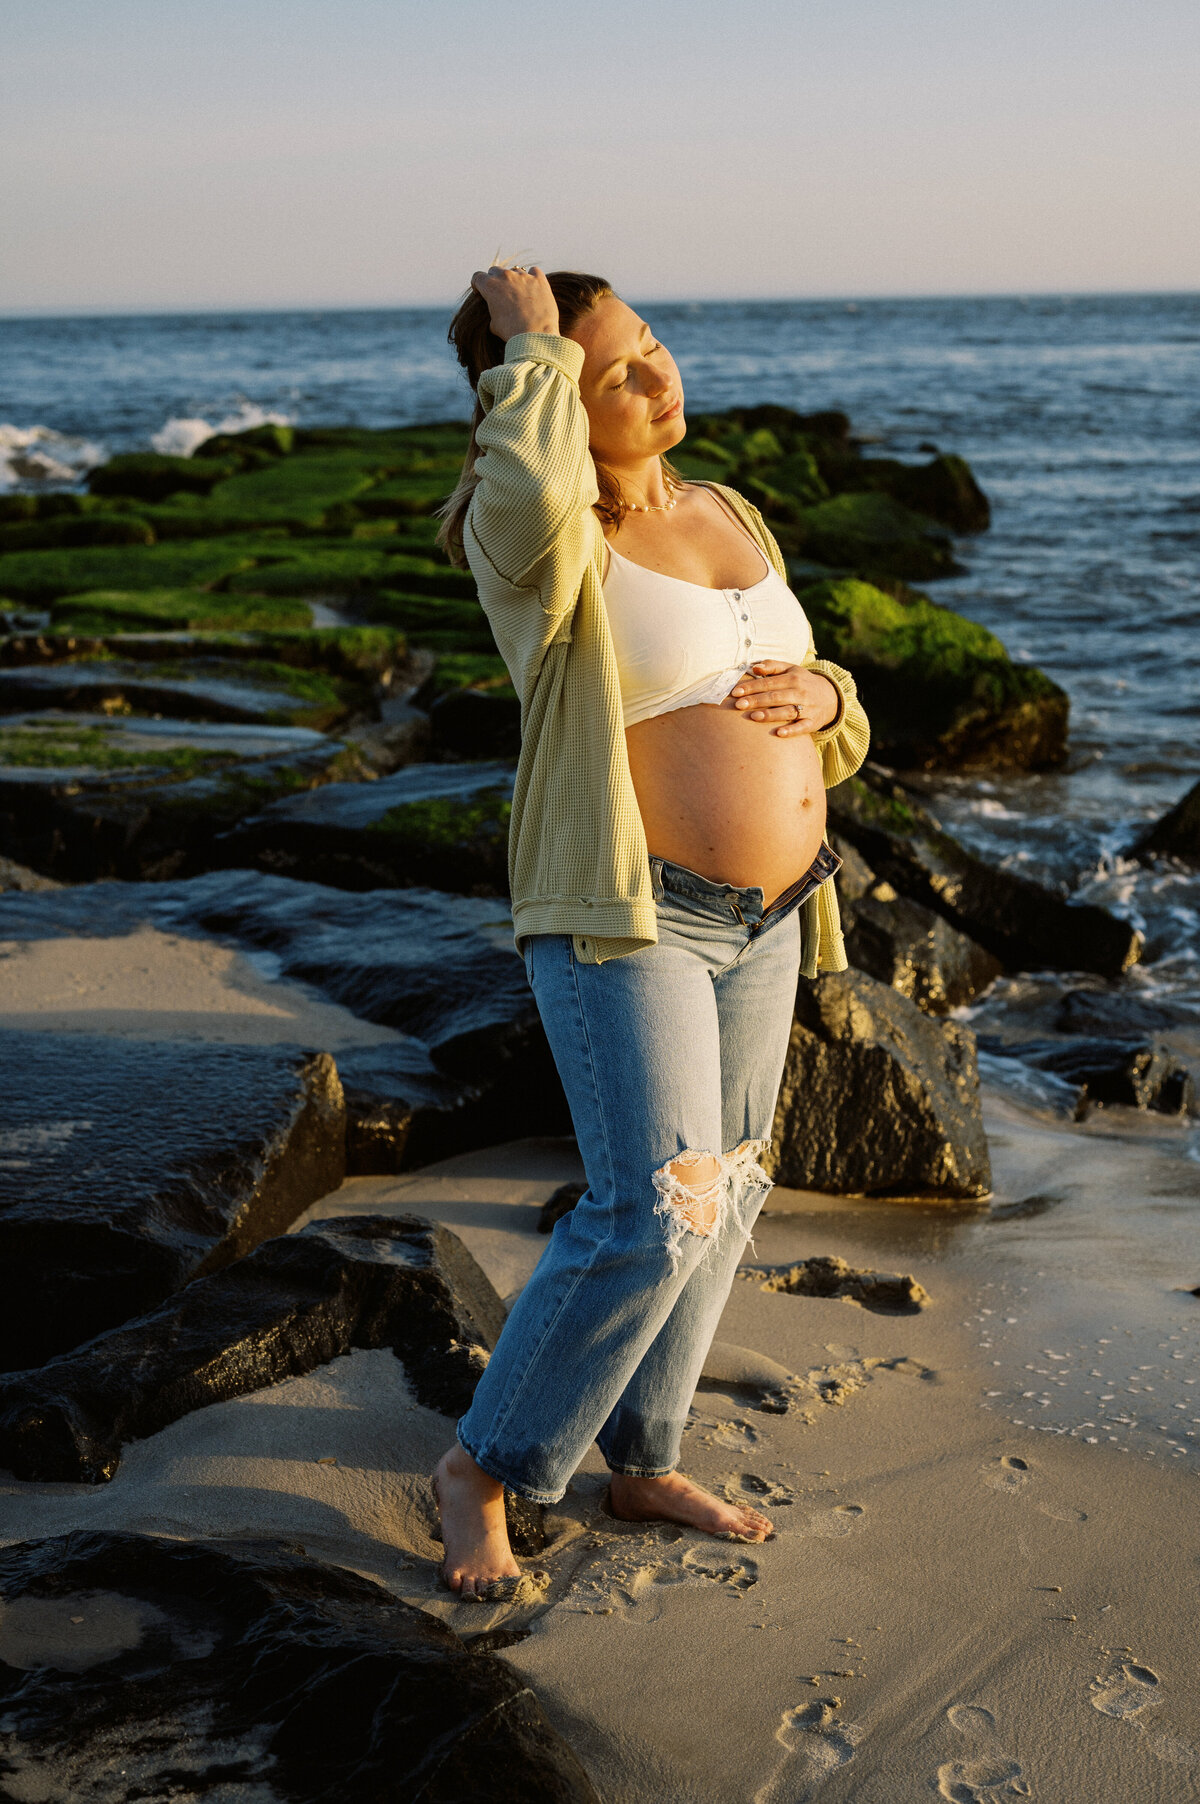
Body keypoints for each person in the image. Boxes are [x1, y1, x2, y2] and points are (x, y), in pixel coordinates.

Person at [431, 265, 870, 1598]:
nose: (656, 379)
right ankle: (486, 1468)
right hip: (636, 917)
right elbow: (519, 505)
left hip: (777, 912)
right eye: (610, 369)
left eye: (655, 349)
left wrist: (831, 694)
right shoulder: (536, 534)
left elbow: (820, 701)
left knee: (728, 1196)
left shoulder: (728, 508)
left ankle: (645, 1452)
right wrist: (530, 346)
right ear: (552, 390)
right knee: (649, 1211)